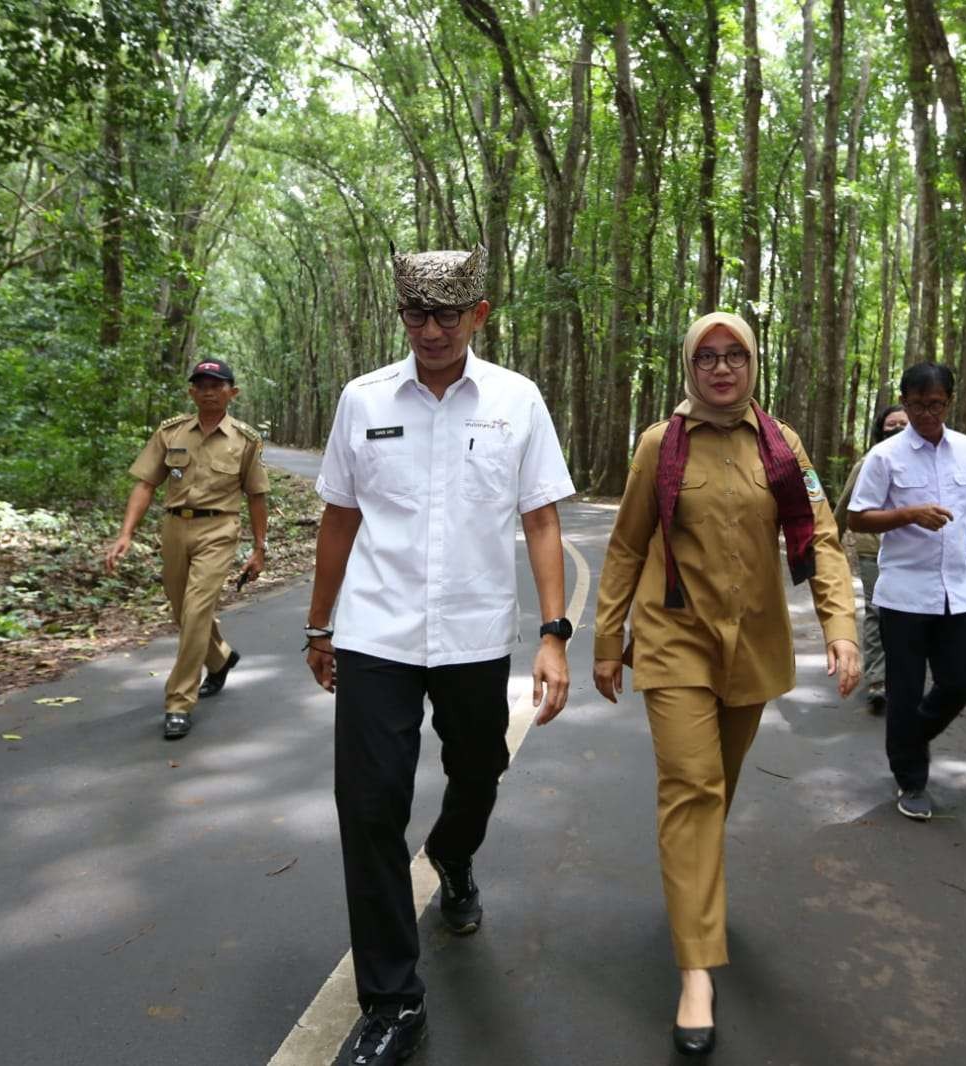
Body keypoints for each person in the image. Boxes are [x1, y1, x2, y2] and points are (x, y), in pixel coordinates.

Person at [305, 244, 576, 1066]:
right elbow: (339, 519)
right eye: (416, 314)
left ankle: (454, 856)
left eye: (447, 314)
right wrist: (319, 627)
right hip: (375, 633)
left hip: (470, 635)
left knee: (480, 770)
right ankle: (393, 1001)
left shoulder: (516, 401)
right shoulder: (361, 400)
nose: (430, 329)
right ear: (401, 315)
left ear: (479, 315)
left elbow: (540, 521)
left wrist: (555, 634)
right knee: (370, 807)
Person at [591, 311, 861, 1057]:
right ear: (688, 365)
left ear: (752, 364)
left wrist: (840, 628)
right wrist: (607, 640)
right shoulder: (659, 446)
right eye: (706, 356)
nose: (719, 368)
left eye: (733, 355)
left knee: (718, 787)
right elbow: (627, 545)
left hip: (752, 645)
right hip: (675, 637)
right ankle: (696, 973)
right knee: (693, 789)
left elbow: (822, 536)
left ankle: (693, 896)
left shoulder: (782, 445)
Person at [847, 362, 966, 821]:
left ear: (949, 402)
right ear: (904, 401)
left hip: (956, 593)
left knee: (960, 682)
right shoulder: (886, 457)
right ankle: (911, 781)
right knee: (905, 689)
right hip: (903, 595)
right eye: (917, 405)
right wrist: (908, 514)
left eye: (935, 405)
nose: (926, 415)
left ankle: (908, 739)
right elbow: (858, 517)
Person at [105, 358, 268, 740]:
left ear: (233, 392)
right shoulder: (170, 433)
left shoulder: (245, 440)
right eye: (201, 384)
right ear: (191, 391)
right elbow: (145, 484)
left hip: (219, 529)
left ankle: (178, 702)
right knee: (182, 610)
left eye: (217, 384)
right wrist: (125, 533)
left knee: (196, 611)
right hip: (175, 528)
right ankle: (220, 657)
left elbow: (256, 496)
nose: (209, 391)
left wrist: (260, 548)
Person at [836, 404, 909, 714]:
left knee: (906, 616)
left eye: (903, 424)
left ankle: (903, 675)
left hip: (910, 554)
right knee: (878, 612)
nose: (897, 429)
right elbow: (843, 507)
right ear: (881, 430)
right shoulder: (868, 462)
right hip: (872, 550)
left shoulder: (927, 463)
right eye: (891, 425)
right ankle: (878, 680)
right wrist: (826, 547)